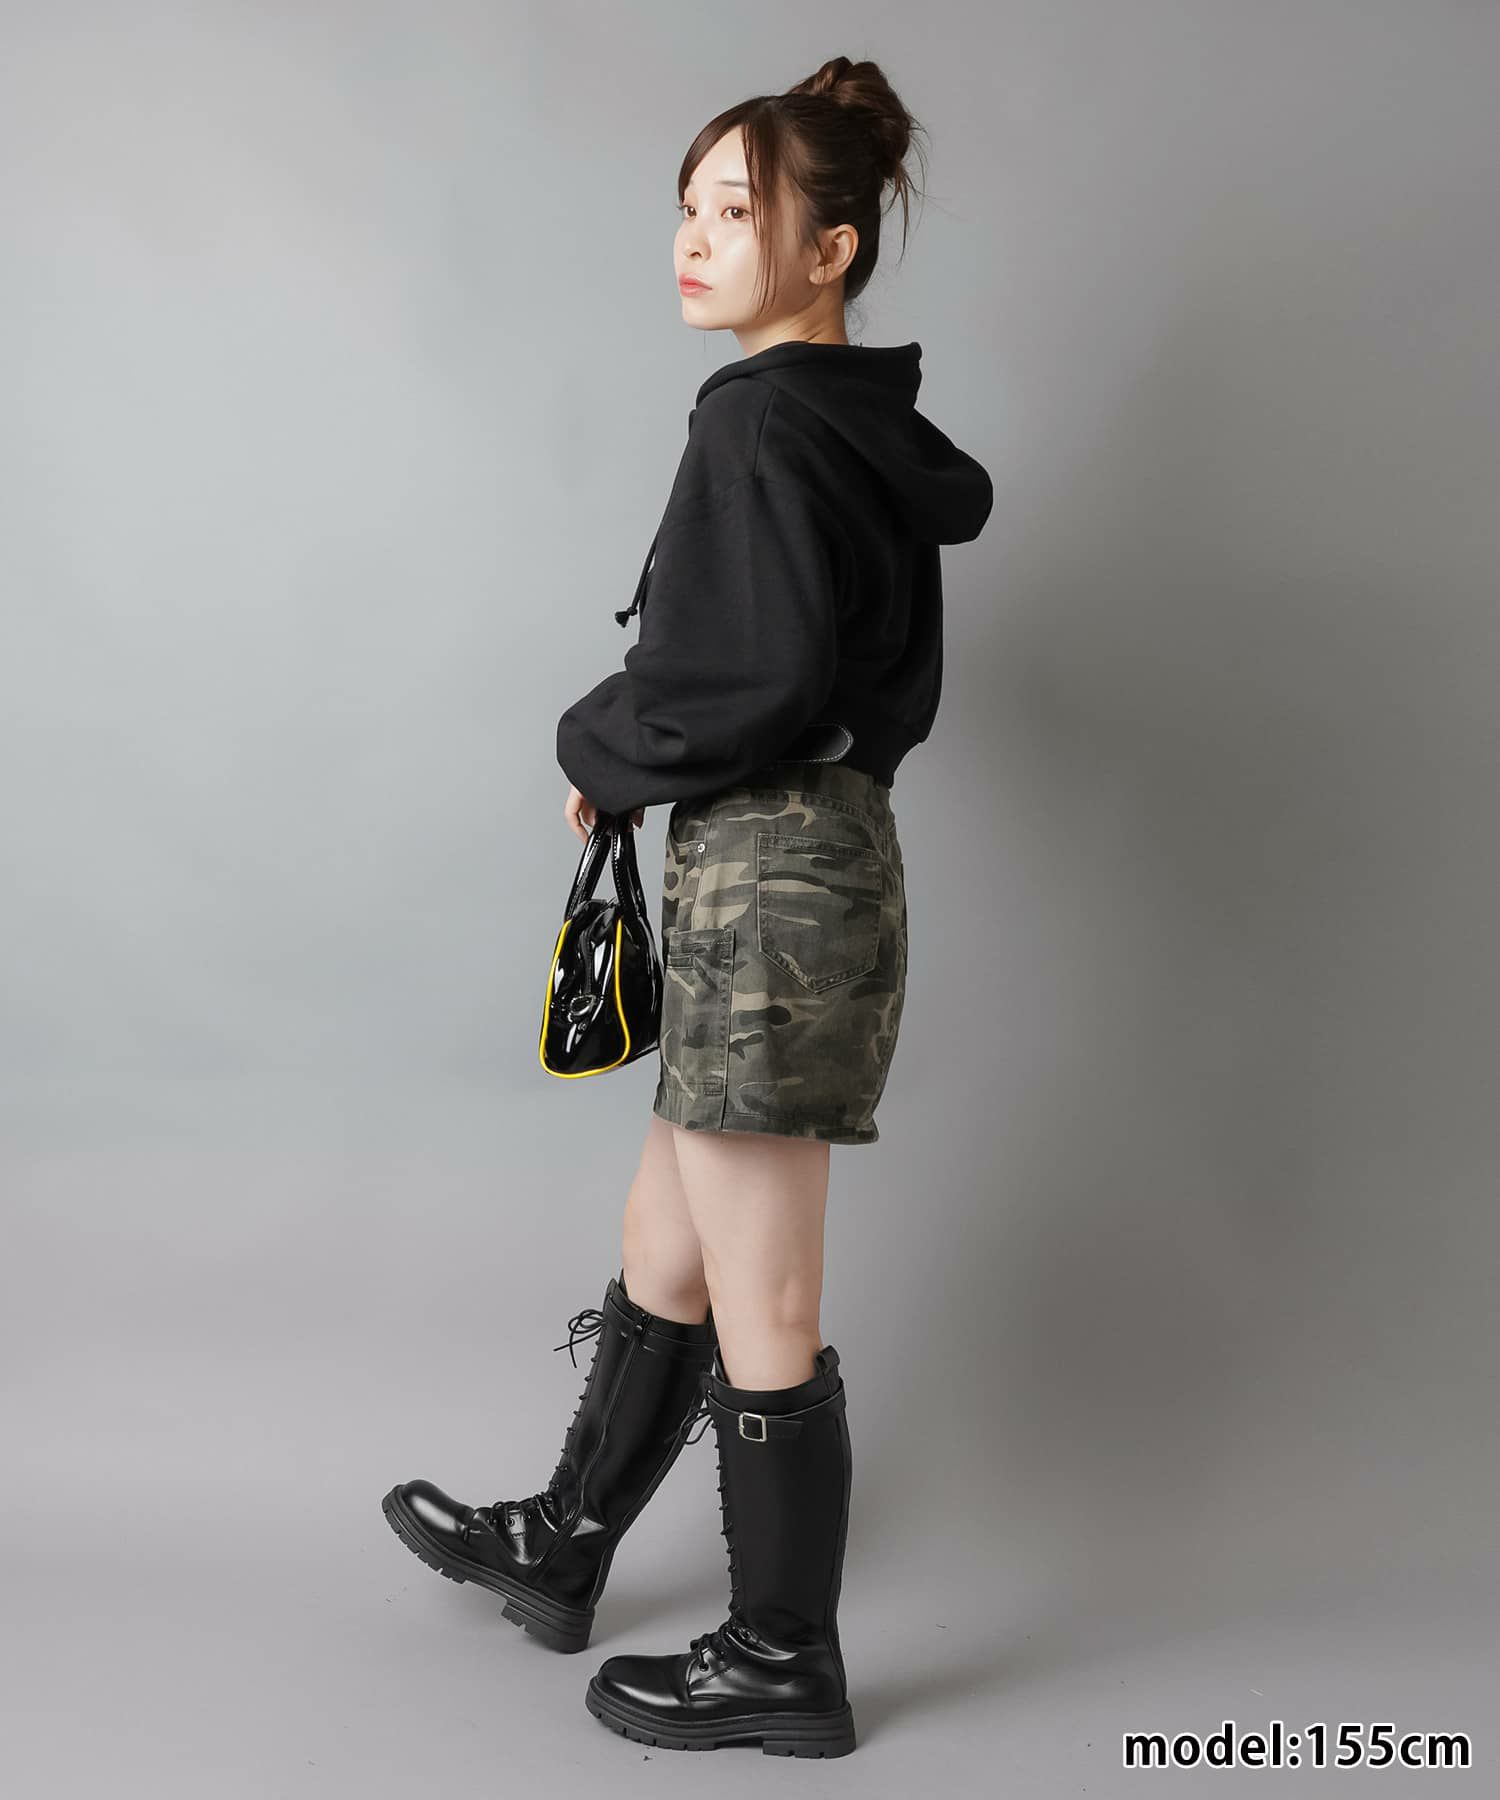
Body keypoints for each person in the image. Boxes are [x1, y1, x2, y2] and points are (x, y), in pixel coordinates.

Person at [382, 54, 993, 1758]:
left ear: (832, 250)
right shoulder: (859, 426)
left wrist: (602, 741)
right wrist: (659, 754)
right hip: (811, 862)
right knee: (670, 1241)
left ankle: (783, 1658)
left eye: (739, 209)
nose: (696, 236)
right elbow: (823, 672)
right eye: (689, 205)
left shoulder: (758, 415)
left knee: (765, 1298)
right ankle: (564, 1542)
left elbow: (758, 671)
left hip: (771, 876)